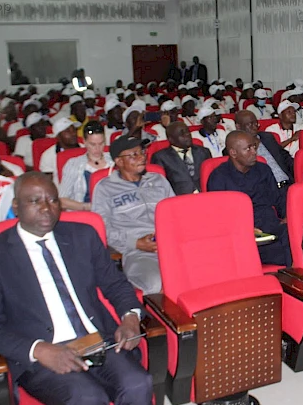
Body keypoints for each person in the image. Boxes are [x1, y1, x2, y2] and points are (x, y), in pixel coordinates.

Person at [0, 172, 153, 405]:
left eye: (52, 199)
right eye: (35, 201)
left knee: (139, 384)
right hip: (45, 353)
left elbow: (116, 285)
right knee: (89, 398)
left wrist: (129, 318)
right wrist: (38, 349)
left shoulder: (82, 236)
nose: (46, 207)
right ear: (16, 207)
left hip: (97, 341)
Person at [92, 136, 175, 294]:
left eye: (142, 152)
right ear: (119, 161)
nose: (142, 157)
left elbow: (177, 215)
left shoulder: (158, 180)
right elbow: (102, 229)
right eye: (133, 154)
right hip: (138, 251)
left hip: (171, 246)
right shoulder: (105, 189)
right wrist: (135, 243)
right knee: (154, 284)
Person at [208, 131, 292, 267]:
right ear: (233, 153)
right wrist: (246, 229)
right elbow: (218, 217)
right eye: (248, 149)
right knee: (287, 252)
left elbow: (278, 199)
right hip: (241, 235)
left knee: (296, 235)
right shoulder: (218, 177)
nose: (254, 152)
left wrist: (287, 216)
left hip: (270, 228)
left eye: (254, 147)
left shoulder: (263, 170)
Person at [58, 121, 114, 211]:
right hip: (85, 212)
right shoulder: (73, 164)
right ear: (84, 142)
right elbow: (62, 200)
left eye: (101, 143)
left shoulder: (114, 160)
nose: (97, 148)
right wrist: (87, 207)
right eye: (92, 144)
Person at [234, 110, 294, 189]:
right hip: (266, 191)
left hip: (288, 185)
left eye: (256, 123)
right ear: (238, 127)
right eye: (250, 124)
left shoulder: (267, 138)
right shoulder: (235, 149)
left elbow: (285, 156)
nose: (255, 126)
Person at [151, 122, 211, 195]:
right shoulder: (160, 157)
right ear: (171, 139)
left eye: (188, 131)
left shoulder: (204, 152)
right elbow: (161, 186)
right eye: (182, 133)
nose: (187, 134)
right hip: (179, 200)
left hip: (206, 197)